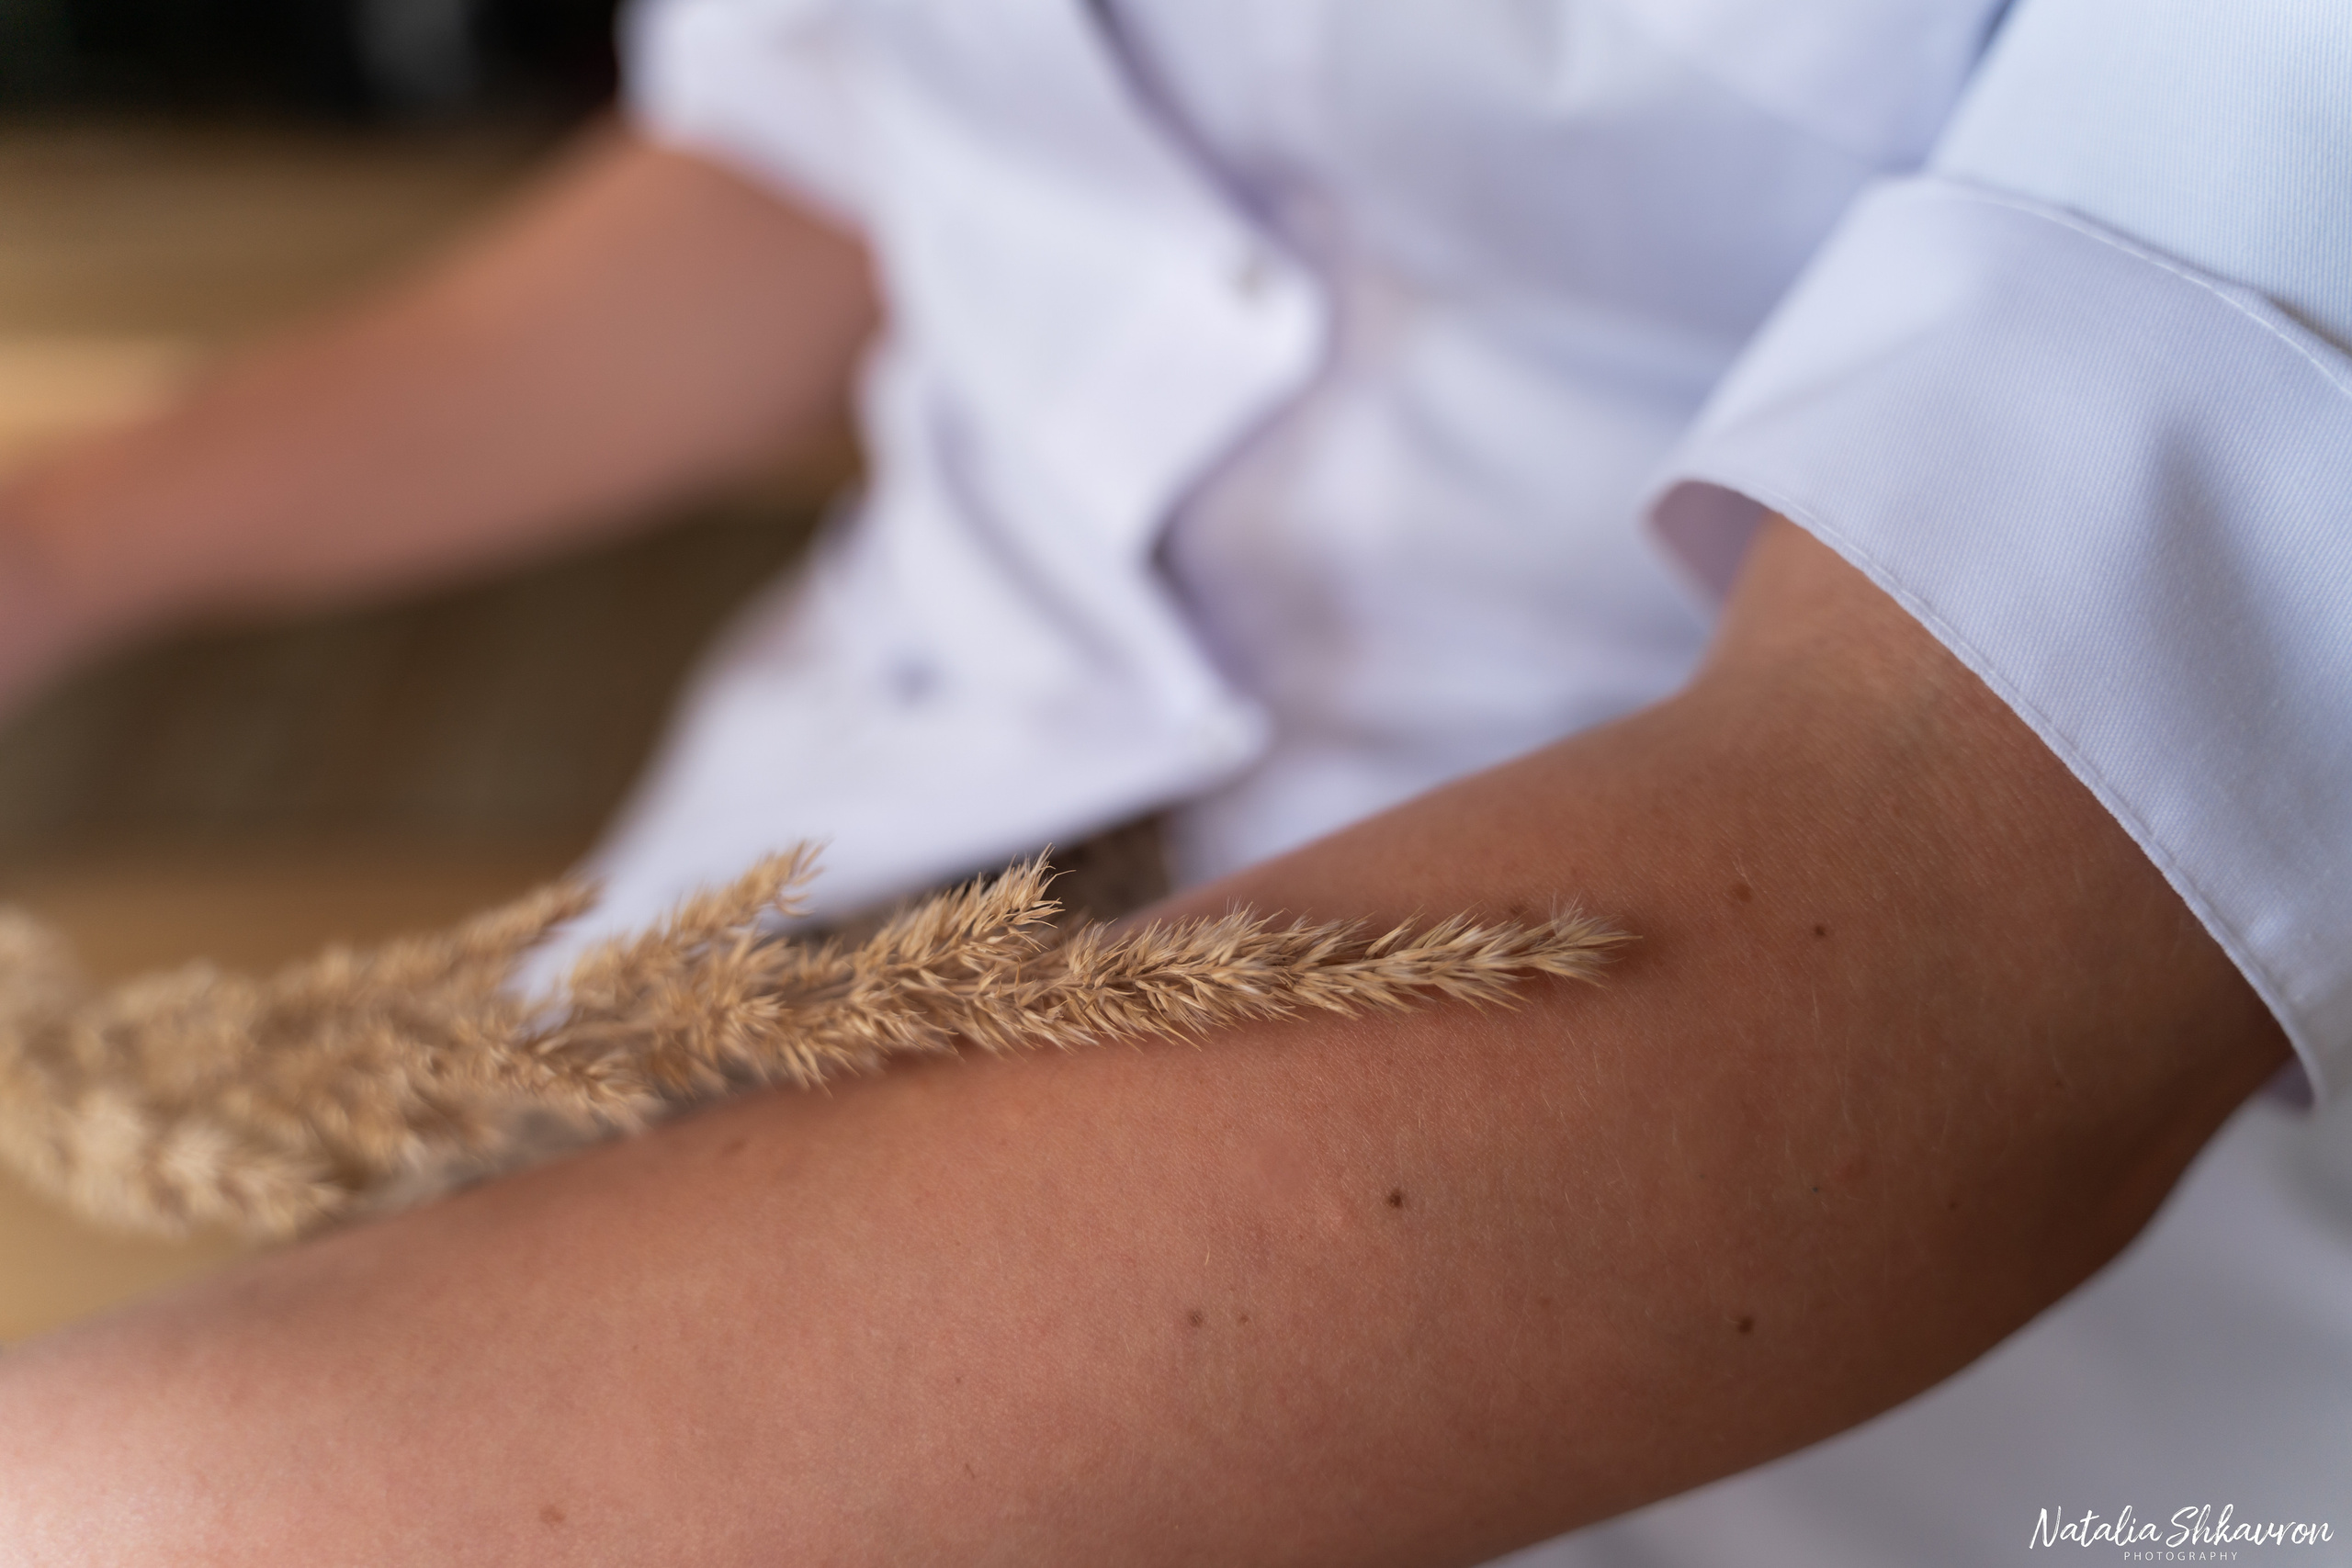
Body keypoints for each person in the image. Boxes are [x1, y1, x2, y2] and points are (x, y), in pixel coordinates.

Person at [1, 0, 2346, 1562]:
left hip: (1709, 1185)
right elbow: (833, 145)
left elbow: (1951, 875)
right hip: (803, 851)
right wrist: (64, 540)